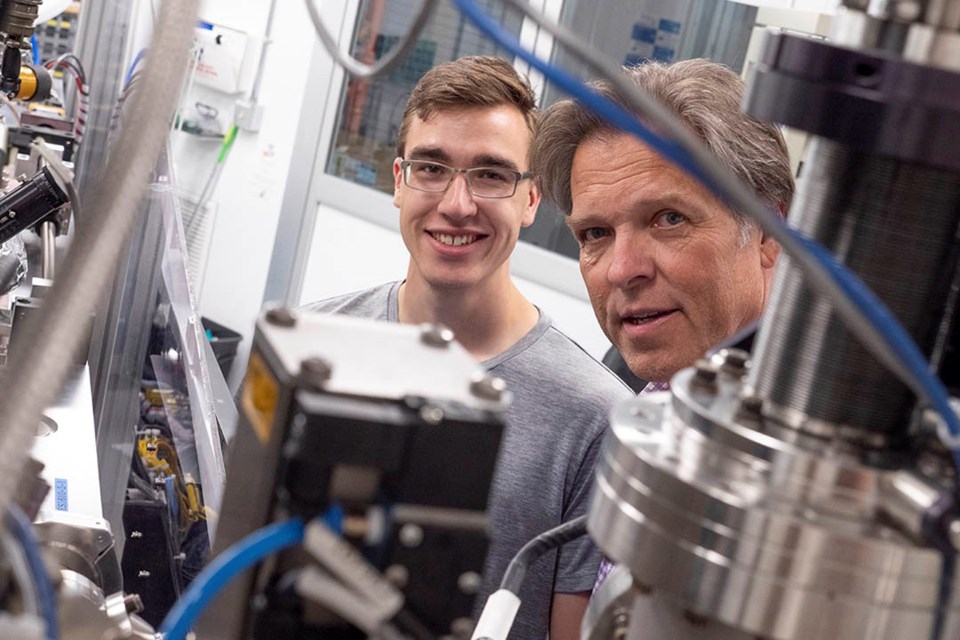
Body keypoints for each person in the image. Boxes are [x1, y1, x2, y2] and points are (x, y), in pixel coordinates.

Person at [302, 55, 632, 639]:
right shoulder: (311, 347)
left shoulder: (593, 417)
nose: (457, 204)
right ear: (399, 182)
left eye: (491, 175)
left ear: (530, 201)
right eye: (432, 168)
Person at [531, 57, 795, 589]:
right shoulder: (634, 396)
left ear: (768, 231)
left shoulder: (830, 456)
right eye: (595, 234)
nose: (623, 270)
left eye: (668, 219)